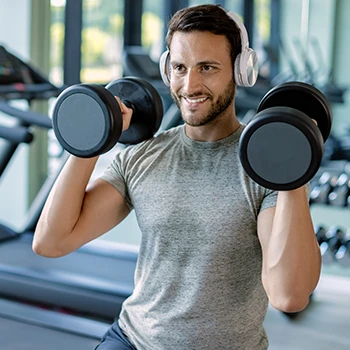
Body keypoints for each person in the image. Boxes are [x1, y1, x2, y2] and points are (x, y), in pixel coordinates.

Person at [33, 4, 321, 350]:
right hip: (133, 340)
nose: (190, 84)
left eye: (208, 68)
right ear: (167, 70)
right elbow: (51, 242)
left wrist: (291, 168)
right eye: (180, 68)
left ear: (240, 70)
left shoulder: (263, 173)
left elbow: (288, 296)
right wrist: (94, 137)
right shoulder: (143, 157)